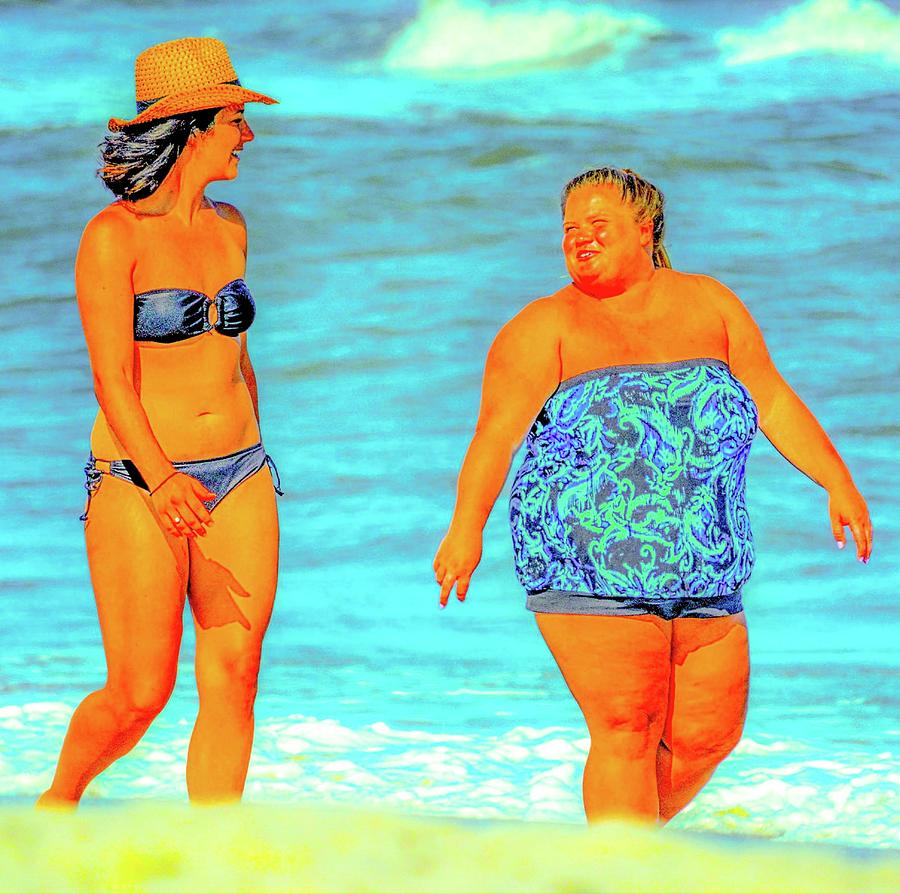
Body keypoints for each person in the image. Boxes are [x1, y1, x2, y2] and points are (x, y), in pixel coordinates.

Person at [432, 166, 872, 824]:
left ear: (645, 229)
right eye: (569, 229)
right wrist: (465, 529)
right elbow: (495, 439)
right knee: (625, 730)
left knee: (707, 736)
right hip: (585, 562)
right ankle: (624, 870)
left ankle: (615, 855)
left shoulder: (711, 305)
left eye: (598, 225)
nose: (580, 238)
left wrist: (837, 480)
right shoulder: (543, 328)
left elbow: (772, 399)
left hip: (705, 558)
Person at [37, 37, 283, 806]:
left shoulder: (232, 225)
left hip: (241, 472)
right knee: (141, 691)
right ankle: (56, 806)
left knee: (235, 678)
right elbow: (111, 378)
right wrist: (164, 475)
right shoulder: (113, 237)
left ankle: (213, 860)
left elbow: (240, 359)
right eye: (237, 119)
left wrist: (252, 444)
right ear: (194, 127)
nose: (248, 134)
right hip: (139, 477)